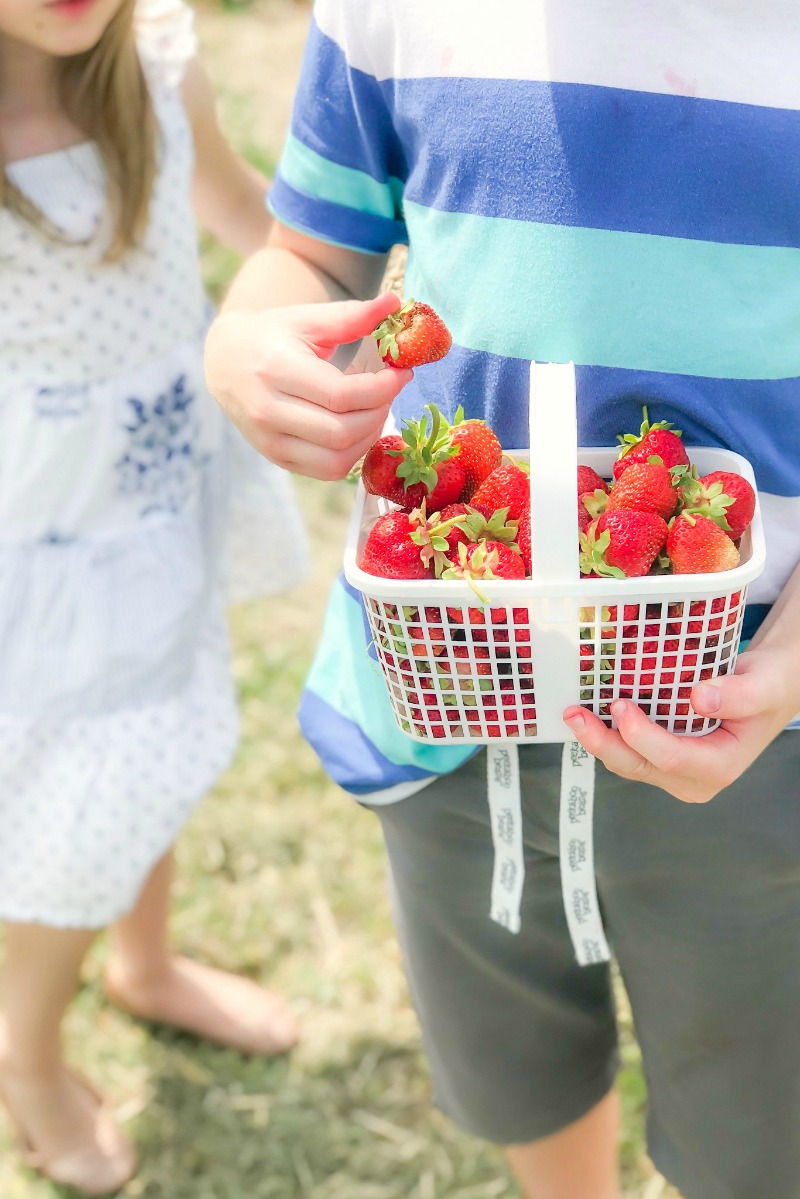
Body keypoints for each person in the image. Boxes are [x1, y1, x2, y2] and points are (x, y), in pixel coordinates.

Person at [205, 3, 800, 1197]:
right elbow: (312, 248)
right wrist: (249, 337)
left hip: (748, 702)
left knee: (762, 1109)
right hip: (445, 685)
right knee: (509, 1049)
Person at [0, 0, 308, 1190]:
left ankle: (146, 960)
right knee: (87, 783)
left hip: (162, 479)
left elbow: (238, 212)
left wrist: (347, 290)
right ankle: (26, 1050)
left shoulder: (154, 65)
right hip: (44, 531)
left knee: (164, 735)